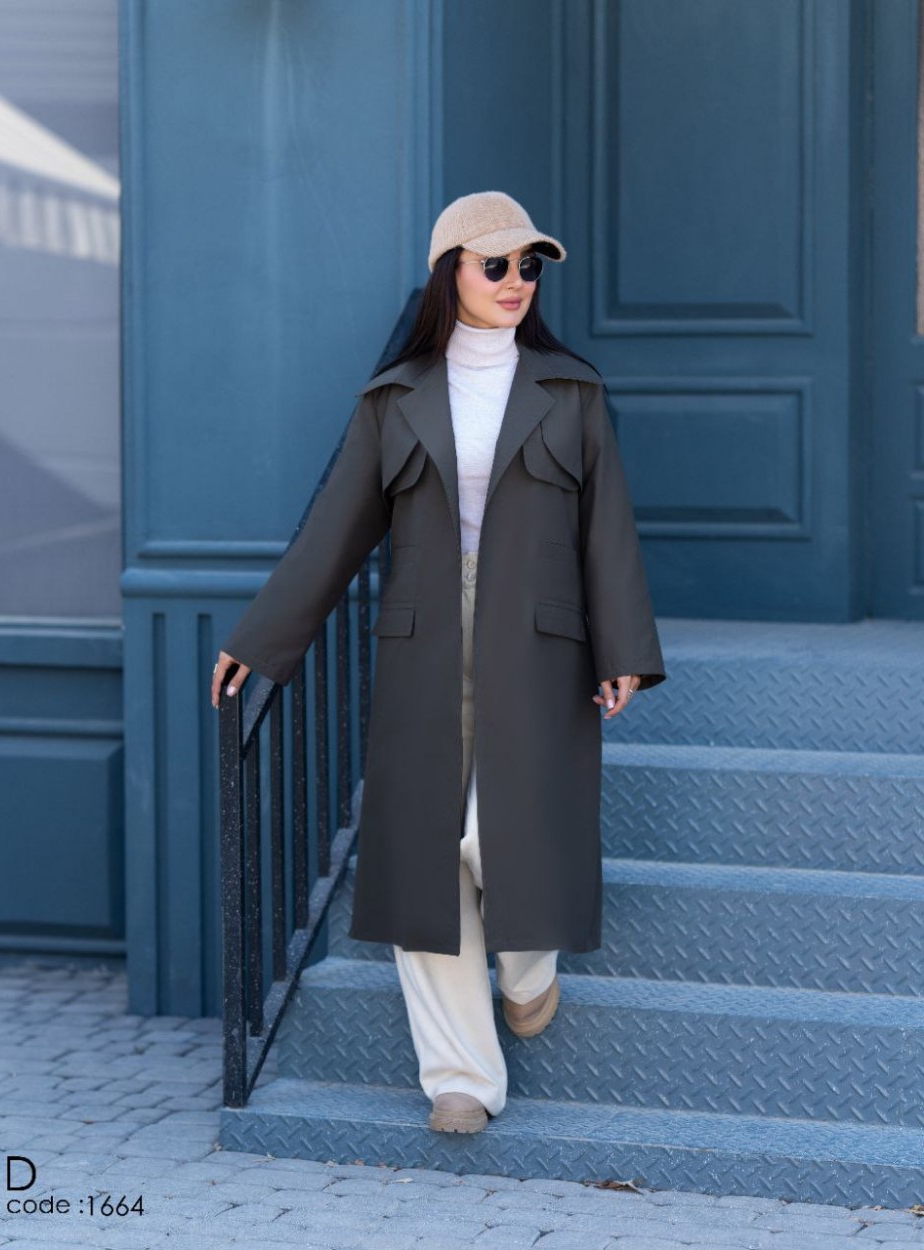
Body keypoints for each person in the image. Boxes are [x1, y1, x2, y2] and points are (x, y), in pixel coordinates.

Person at [211, 190, 666, 1135]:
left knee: (502, 832)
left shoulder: (571, 390)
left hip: (537, 638)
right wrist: (260, 640)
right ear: (449, 272)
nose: (515, 282)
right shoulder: (396, 398)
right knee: (427, 853)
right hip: (424, 642)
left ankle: (528, 967)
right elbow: (335, 532)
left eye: (528, 266)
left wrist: (623, 645)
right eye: (494, 265)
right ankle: (460, 1077)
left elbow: (607, 526)